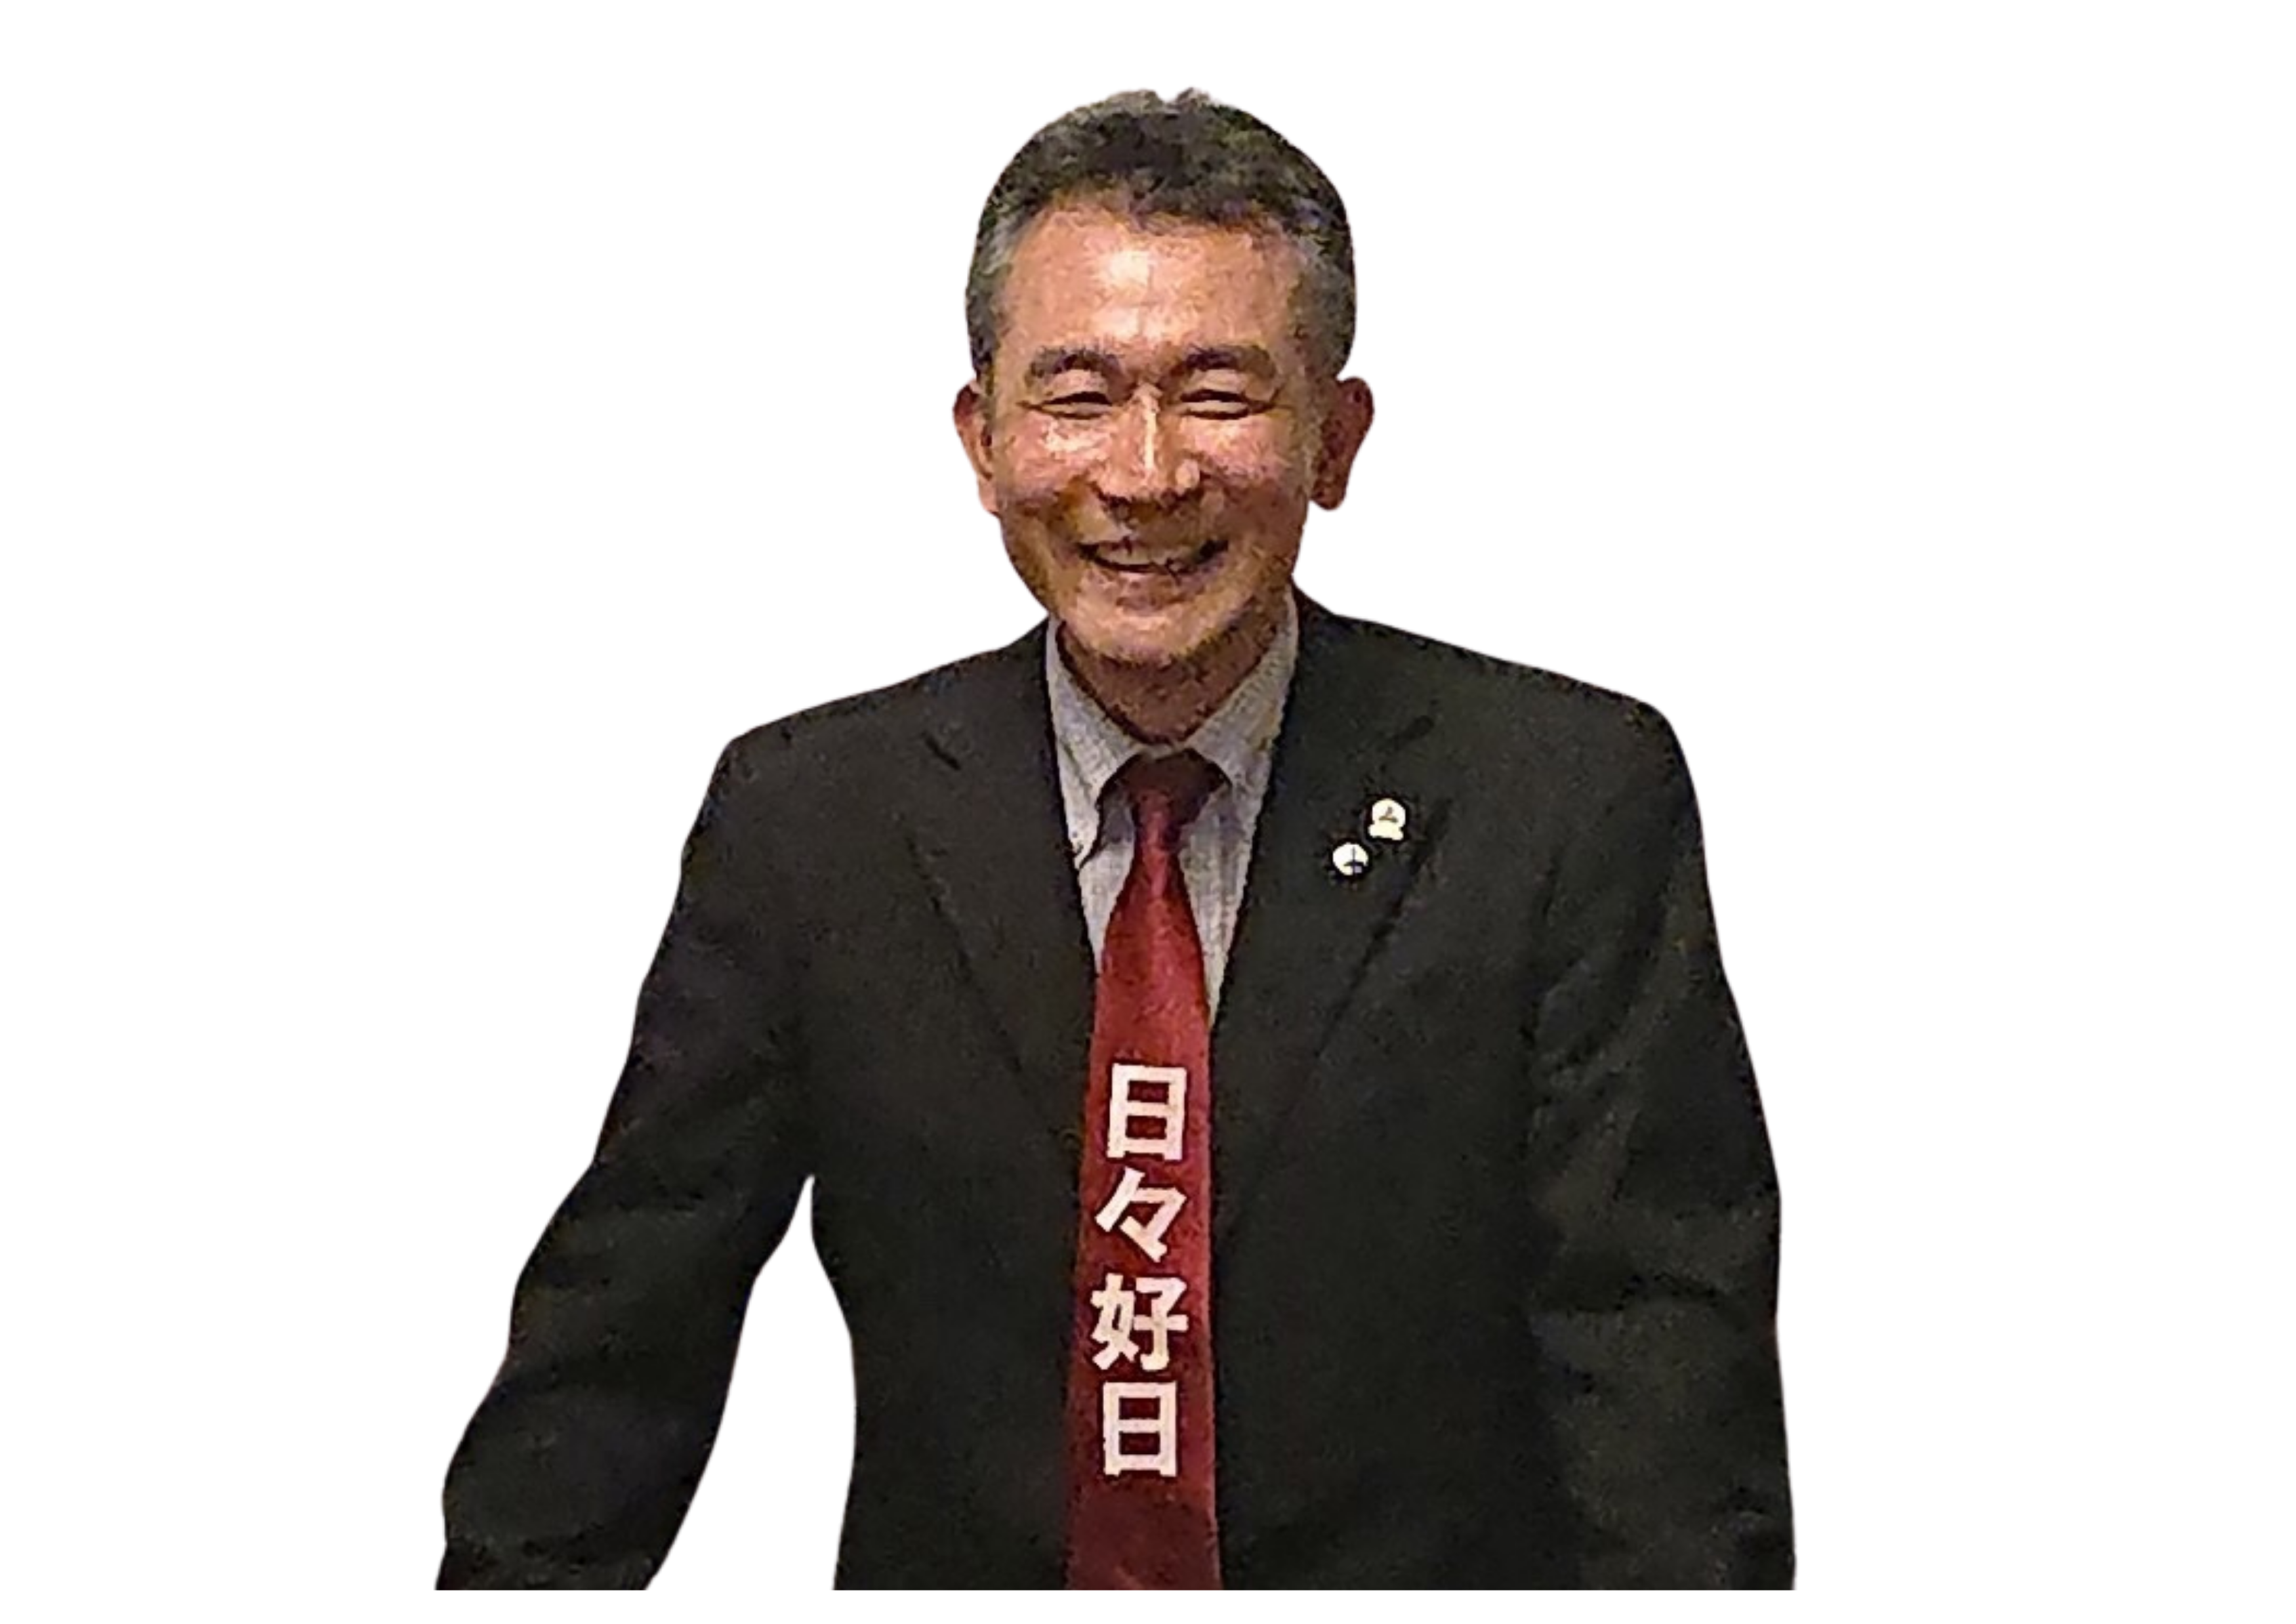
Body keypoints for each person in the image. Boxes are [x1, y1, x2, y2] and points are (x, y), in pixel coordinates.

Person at [437, 85, 1790, 1590]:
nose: (1145, 474)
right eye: (1077, 396)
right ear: (980, 443)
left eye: (1218, 393)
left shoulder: (1561, 798)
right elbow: (623, 1343)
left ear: (1337, 439)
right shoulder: (811, 821)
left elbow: (1661, 1363)